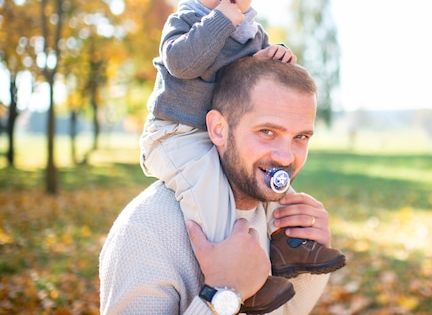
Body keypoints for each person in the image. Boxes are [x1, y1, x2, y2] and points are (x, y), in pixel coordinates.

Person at [138, 0, 345, 312]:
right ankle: (246, 286)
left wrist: (273, 54)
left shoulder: (249, 32)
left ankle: (288, 252)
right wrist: (221, 21)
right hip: (175, 133)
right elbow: (183, 63)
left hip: (215, 132)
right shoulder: (186, 20)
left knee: (275, 187)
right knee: (210, 191)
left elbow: (253, 79)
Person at [100, 57, 339, 314]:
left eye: (300, 137)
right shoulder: (145, 230)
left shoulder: (276, 219)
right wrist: (222, 294)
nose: (286, 157)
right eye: (267, 132)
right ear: (218, 129)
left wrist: (307, 265)